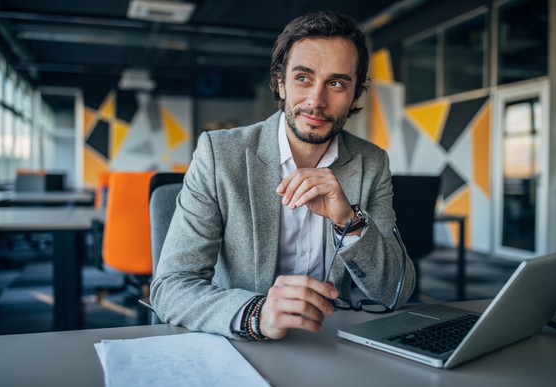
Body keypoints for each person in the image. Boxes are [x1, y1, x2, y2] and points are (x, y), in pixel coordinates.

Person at [150, 10, 415, 341]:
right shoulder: (219, 155)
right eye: (303, 78)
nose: (316, 101)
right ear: (280, 82)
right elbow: (170, 286)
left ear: (355, 95)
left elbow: (397, 289)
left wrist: (349, 221)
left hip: (327, 341)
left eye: (336, 83)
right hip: (236, 341)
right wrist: (256, 314)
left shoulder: (371, 162)